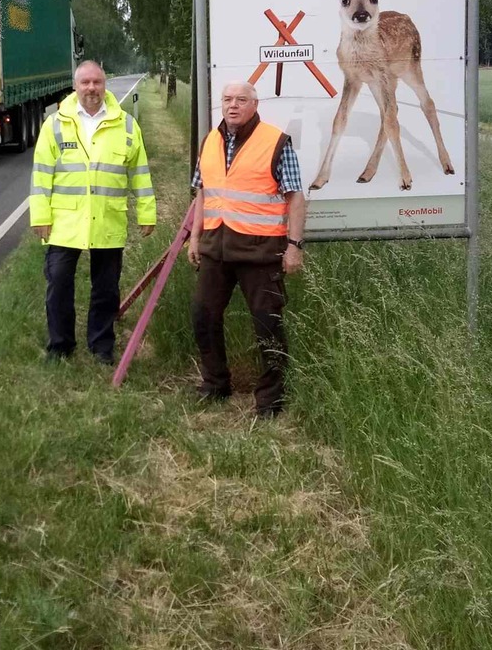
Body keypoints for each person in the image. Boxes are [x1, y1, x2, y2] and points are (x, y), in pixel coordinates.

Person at [187, 81, 306, 416]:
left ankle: (271, 399)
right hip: (215, 249)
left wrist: (294, 246)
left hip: (260, 252)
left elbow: (295, 197)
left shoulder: (275, 142)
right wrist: (194, 238)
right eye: (227, 99)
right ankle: (215, 384)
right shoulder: (210, 141)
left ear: (255, 104)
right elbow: (202, 193)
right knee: (203, 314)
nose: (233, 105)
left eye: (241, 99)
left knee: (267, 324)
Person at [30, 62, 156, 365]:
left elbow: (139, 172)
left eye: (97, 82)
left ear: (105, 85)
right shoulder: (55, 124)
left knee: (106, 288)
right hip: (64, 222)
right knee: (59, 283)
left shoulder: (125, 124)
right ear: (76, 86)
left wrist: (147, 212)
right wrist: (40, 216)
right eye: (85, 82)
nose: (91, 88)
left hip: (108, 219)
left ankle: (101, 346)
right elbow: (41, 173)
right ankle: (60, 346)